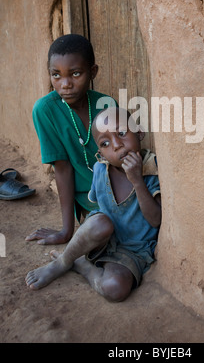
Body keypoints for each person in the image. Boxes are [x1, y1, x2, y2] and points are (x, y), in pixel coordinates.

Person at [25, 107, 161, 302]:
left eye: (121, 133)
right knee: (100, 222)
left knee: (115, 289)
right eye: (105, 143)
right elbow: (97, 210)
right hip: (101, 239)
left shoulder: (152, 170)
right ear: (102, 154)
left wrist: (137, 181)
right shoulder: (100, 168)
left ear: (139, 132)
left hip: (132, 251)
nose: (116, 145)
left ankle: (82, 265)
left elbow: (156, 220)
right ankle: (63, 261)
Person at [25, 34, 116, 246]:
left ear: (92, 72)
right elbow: (62, 168)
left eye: (75, 74)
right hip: (89, 198)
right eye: (56, 75)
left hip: (117, 191)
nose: (65, 84)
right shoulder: (46, 110)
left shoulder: (107, 104)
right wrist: (66, 231)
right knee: (106, 232)